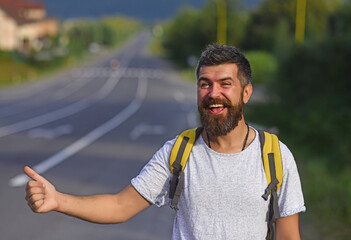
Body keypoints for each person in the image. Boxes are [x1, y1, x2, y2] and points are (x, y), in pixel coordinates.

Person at [25, 44, 306, 240]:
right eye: (204, 83)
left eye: (225, 83)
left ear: (246, 93)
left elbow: (288, 235)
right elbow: (120, 206)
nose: (213, 93)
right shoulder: (178, 152)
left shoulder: (275, 157)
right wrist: (58, 200)